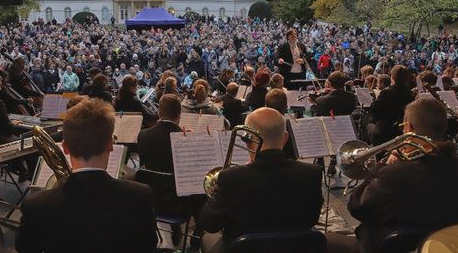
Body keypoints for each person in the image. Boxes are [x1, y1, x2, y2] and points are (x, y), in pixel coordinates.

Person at [16, 99, 157, 253]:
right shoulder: (140, 195)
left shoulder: (35, 205)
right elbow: (147, 247)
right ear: (110, 144)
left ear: (65, 148)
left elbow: (25, 248)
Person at [348, 98, 458, 253]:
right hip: (446, 246)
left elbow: (357, 207)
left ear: (409, 128)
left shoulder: (393, 173)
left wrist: (381, 166)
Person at [199, 108, 323, 250]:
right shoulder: (312, 173)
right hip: (297, 248)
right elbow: (312, 219)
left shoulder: (231, 177)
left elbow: (210, 224)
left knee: (208, 238)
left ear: (247, 140)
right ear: (285, 138)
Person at [137, 93, 206, 248]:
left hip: (152, 199)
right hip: (179, 201)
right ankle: (196, 238)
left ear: (159, 113)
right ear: (179, 114)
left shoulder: (143, 135)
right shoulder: (184, 138)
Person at [367, 65, 416, 144]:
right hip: (401, 131)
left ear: (393, 77)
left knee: (368, 122)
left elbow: (373, 109)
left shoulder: (386, 93)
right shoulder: (411, 95)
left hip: (385, 132)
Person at [264, 89, 298, 160]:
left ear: (265, 106)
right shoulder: (290, 127)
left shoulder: (259, 124)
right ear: (286, 107)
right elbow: (293, 155)